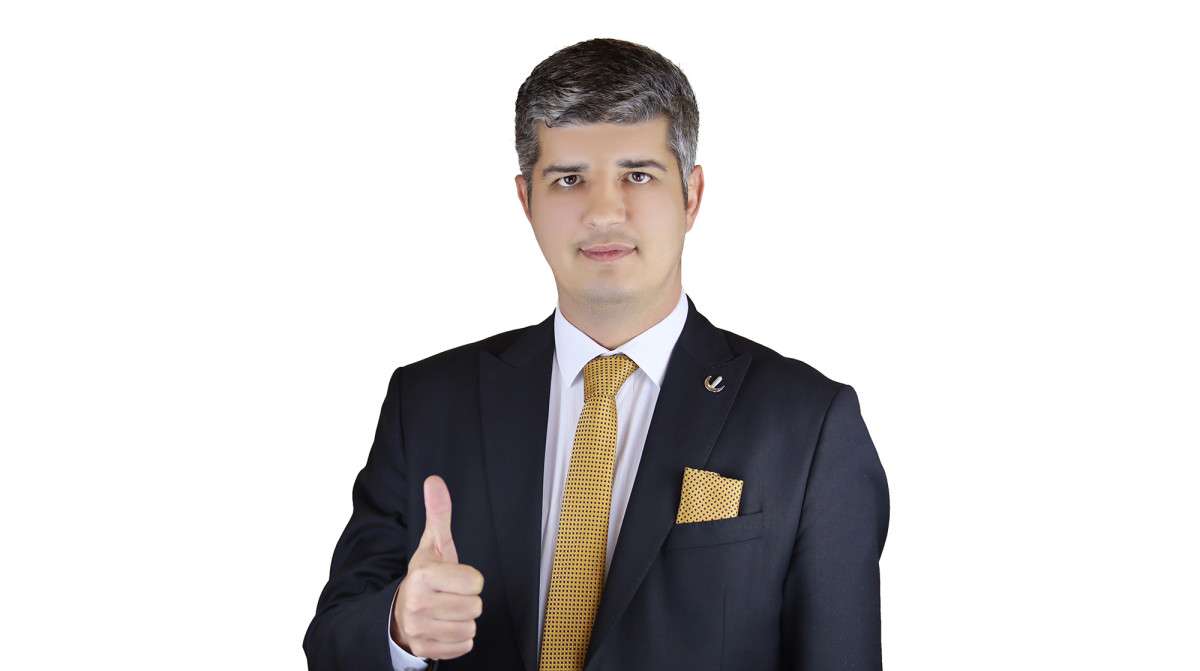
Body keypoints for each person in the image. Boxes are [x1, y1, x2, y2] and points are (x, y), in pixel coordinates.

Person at [303, 37, 889, 671]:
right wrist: (398, 626)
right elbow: (331, 641)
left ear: (691, 196)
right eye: (569, 179)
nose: (604, 212)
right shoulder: (426, 402)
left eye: (638, 175)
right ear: (526, 201)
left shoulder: (808, 422)